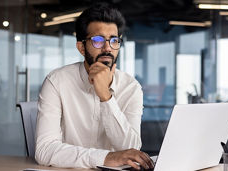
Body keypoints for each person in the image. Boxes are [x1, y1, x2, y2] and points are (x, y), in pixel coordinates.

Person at [35, 3, 154, 170]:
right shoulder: (57, 82)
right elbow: (44, 150)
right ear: (81, 47)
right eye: (98, 40)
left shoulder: (132, 88)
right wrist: (106, 157)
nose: (107, 48)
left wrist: (106, 97)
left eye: (114, 40)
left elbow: (131, 149)